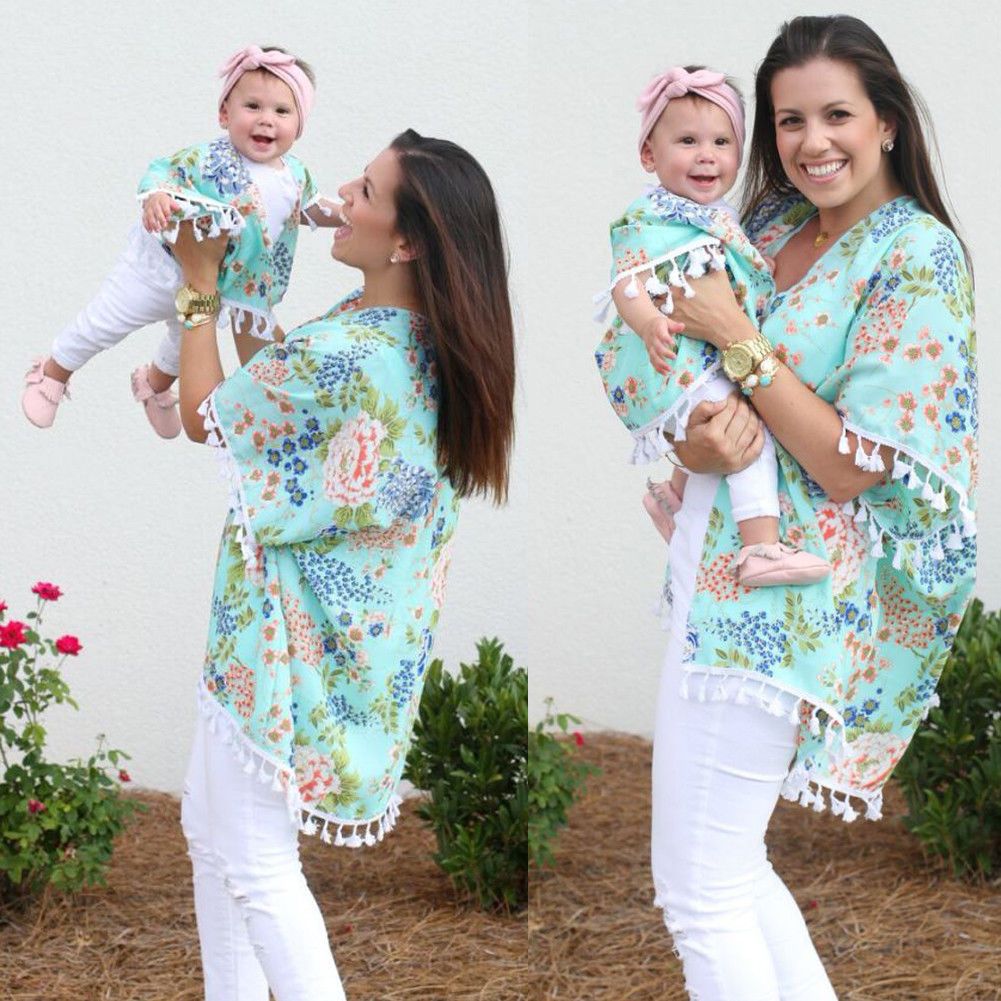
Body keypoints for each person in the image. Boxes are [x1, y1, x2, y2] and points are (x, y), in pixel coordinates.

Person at [636, 16, 977, 1000]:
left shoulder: (915, 257)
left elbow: (846, 465)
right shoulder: (771, 228)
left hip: (788, 604)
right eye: (788, 120)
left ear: (886, 124)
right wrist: (688, 440)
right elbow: (696, 389)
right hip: (717, 575)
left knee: (696, 890)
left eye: (836, 114)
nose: (810, 141)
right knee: (728, 872)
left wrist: (737, 336)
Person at [170, 130, 515, 1000]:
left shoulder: (354, 353)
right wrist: (259, 260)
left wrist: (197, 283)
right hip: (321, 639)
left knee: (250, 858)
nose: (341, 198)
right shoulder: (402, 338)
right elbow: (275, 396)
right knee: (213, 836)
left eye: (363, 190)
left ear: (405, 240)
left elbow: (212, 415)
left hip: (291, 647)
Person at [21, 44, 339, 436]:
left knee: (180, 346)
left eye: (281, 111)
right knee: (106, 320)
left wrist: (347, 214)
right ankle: (52, 372)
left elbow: (308, 207)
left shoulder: (295, 174)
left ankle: (153, 387)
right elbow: (162, 172)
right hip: (160, 268)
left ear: (299, 124)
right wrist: (156, 197)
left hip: (209, 283)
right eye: (252, 106)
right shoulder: (207, 159)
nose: (266, 121)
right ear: (225, 114)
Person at [595, 64, 830, 587]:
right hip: (676, 354)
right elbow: (626, 280)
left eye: (722, 141)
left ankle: (675, 498)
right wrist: (650, 321)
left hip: (699, 355)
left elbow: (732, 263)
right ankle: (760, 548)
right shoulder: (651, 216)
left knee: (723, 417)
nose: (707, 154)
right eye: (687, 140)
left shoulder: (718, 215)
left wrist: (756, 269)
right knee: (749, 439)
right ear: (649, 156)